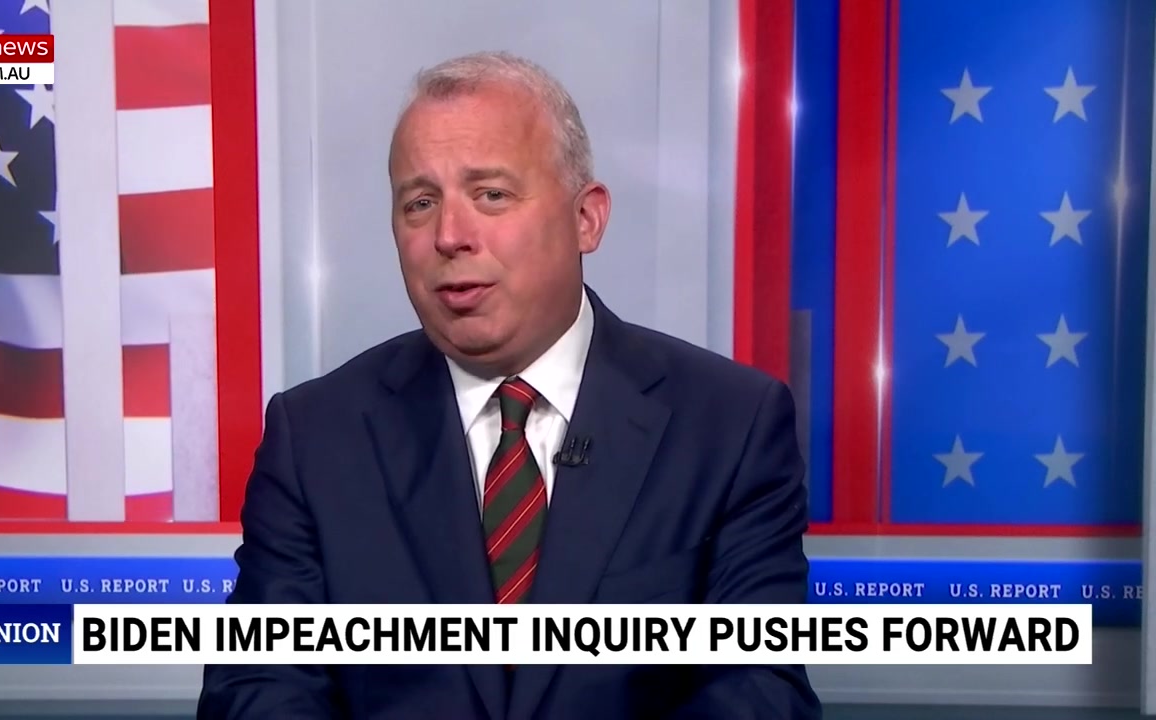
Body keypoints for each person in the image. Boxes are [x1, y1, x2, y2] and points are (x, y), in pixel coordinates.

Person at [198, 51, 820, 720]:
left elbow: (761, 690)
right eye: (419, 203)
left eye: (491, 194)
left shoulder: (730, 426)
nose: (449, 236)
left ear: (587, 219)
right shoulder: (315, 437)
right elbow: (257, 689)